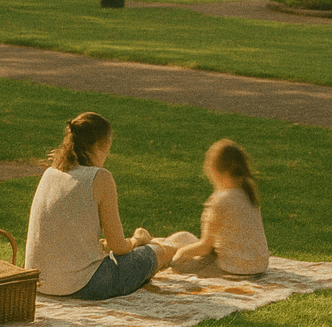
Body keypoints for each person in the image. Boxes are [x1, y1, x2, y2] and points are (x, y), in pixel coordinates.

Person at [24, 112, 178, 299]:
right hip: (85, 284)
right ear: (104, 145)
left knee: (137, 253)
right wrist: (137, 239)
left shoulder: (50, 173)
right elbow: (118, 247)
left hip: (39, 282)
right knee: (159, 251)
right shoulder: (101, 177)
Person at [161, 139, 271, 278]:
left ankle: (154, 247)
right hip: (259, 266)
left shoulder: (220, 201)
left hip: (234, 268)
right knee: (184, 237)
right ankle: (157, 243)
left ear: (214, 170)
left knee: (178, 259)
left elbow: (205, 247)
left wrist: (181, 253)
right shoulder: (247, 194)